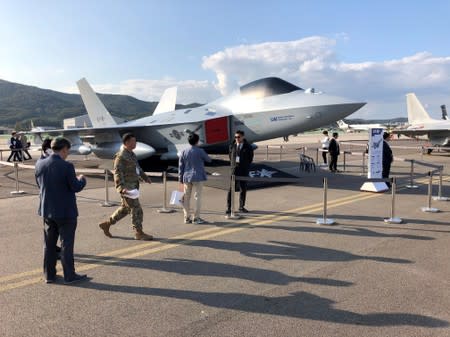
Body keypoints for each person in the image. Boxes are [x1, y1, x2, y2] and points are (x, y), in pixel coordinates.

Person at [35, 137, 87, 284]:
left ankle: (49, 275)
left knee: (49, 244)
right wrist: (82, 179)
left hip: (47, 210)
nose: (67, 154)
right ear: (64, 149)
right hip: (65, 212)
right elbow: (75, 186)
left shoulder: (39, 163)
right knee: (66, 244)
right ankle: (69, 275)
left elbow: (40, 185)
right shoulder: (67, 166)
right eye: (67, 151)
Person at [98, 133, 153, 240]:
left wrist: (145, 177)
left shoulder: (132, 154)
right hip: (126, 188)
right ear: (127, 142)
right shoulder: (121, 156)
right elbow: (117, 173)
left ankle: (107, 224)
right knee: (137, 209)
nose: (135, 143)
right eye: (133, 141)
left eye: (135, 141)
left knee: (125, 209)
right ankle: (138, 232)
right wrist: (121, 188)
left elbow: (138, 168)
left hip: (133, 187)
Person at [178, 133, 212, 224]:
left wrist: (180, 179)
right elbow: (209, 159)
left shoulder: (184, 151)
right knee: (197, 197)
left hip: (186, 177)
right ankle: (196, 218)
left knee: (186, 198)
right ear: (197, 141)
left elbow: (181, 166)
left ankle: (186, 218)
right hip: (198, 176)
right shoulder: (200, 151)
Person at [226, 130, 254, 216]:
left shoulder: (248, 147)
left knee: (243, 188)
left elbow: (250, 158)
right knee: (231, 189)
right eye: (235, 137)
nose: (236, 139)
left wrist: (244, 166)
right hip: (234, 170)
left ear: (243, 137)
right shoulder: (232, 146)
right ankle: (229, 208)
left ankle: (241, 207)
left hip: (243, 170)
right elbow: (231, 157)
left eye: (238, 137)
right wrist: (234, 165)